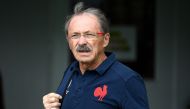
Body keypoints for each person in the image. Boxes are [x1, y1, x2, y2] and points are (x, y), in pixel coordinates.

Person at [43, 2, 149, 109]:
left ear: (105, 40)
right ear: (68, 41)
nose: (81, 42)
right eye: (75, 35)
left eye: (89, 35)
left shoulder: (127, 80)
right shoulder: (71, 70)